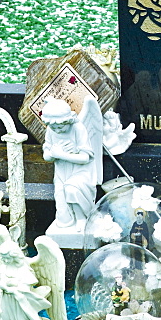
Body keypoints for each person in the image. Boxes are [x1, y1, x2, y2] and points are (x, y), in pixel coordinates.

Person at [42, 98, 99, 230]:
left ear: (68, 120)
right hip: (62, 172)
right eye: (53, 127)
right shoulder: (51, 131)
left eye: (60, 126)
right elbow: (47, 155)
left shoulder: (78, 129)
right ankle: (70, 221)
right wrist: (53, 154)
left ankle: (81, 218)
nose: (57, 130)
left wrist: (61, 154)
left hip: (81, 171)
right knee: (63, 219)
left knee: (71, 189)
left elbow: (85, 158)